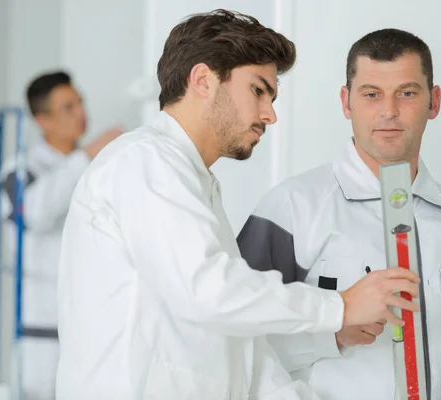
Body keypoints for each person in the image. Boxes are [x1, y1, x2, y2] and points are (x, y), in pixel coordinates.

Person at [55, 10, 421, 400]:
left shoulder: (196, 187)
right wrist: (339, 306)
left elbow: (245, 356)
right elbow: (209, 290)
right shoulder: (143, 161)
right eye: (258, 90)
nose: (270, 114)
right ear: (202, 80)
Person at [237, 28, 441, 400]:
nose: (389, 111)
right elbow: (234, 340)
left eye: (407, 93)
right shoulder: (291, 210)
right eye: (371, 94)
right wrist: (330, 332)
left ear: (433, 102)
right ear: (346, 101)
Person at [0, 71, 124, 399]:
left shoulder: (94, 166)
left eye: (80, 102)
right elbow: (36, 211)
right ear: (42, 120)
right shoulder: (20, 169)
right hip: (42, 334)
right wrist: (89, 154)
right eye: (68, 107)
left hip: (92, 327)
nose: (81, 113)